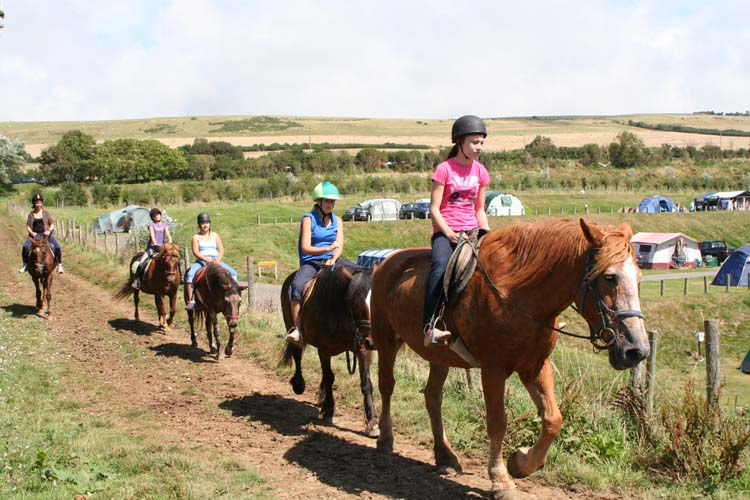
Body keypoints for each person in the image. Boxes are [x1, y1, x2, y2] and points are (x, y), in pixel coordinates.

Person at [423, 115, 490, 347]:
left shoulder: (481, 172)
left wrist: (486, 233)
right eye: (474, 142)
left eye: (481, 142)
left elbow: (480, 209)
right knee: (440, 266)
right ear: (459, 142)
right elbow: (434, 209)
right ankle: (430, 326)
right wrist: (449, 233)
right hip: (446, 231)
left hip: (472, 231)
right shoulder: (444, 170)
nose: (479, 147)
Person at [286, 181, 348, 345]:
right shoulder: (308, 219)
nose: (330, 204)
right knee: (297, 287)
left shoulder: (338, 220)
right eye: (327, 201)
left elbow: (339, 245)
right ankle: (297, 329)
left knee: (360, 275)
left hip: (332, 260)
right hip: (311, 262)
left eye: (332, 201)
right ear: (319, 201)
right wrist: (326, 249)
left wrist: (332, 259)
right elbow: (305, 248)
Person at [184, 212, 237, 310]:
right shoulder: (195, 237)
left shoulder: (215, 235)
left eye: (207, 223)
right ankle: (191, 301)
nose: (205, 225)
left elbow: (221, 250)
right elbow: (196, 252)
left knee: (233, 273)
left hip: (216, 260)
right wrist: (206, 259)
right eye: (203, 223)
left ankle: (234, 297)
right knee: (190, 275)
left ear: (209, 224)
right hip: (202, 261)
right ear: (199, 225)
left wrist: (217, 260)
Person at [19, 194, 64, 274]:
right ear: (33, 204)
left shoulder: (46, 213)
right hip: (34, 236)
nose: (38, 204)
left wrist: (49, 230)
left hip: (46, 235)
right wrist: (32, 233)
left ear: (42, 203)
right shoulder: (31, 215)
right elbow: (28, 226)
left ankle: (59, 264)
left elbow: (52, 223)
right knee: (25, 247)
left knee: (57, 247)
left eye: (39, 202)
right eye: (36, 202)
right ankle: (25, 264)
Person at [131, 208, 173, 290]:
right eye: (154, 215)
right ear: (152, 217)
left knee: (172, 260)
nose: (156, 216)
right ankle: (136, 280)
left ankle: (180, 277)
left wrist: (169, 244)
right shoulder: (151, 226)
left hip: (162, 249)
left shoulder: (165, 226)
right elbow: (153, 237)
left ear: (160, 215)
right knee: (142, 262)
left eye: (158, 214)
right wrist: (156, 245)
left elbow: (169, 236)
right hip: (152, 248)